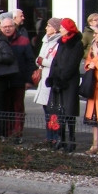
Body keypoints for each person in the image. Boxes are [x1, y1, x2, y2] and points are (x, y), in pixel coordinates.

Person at [45, 18, 83, 153]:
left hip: (69, 83)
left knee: (69, 112)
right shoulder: (61, 42)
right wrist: (52, 77)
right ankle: (61, 138)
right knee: (58, 111)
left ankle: (71, 140)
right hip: (58, 81)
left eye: (62, 27)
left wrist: (62, 78)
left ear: (68, 29)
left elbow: (72, 64)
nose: (60, 29)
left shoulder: (77, 44)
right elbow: (55, 61)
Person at [0, 15, 34, 139]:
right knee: (5, 108)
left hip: (19, 80)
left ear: (14, 27)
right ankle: (7, 133)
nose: (7, 29)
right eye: (5, 27)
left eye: (10, 26)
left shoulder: (23, 40)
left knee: (18, 108)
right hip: (3, 80)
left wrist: (28, 80)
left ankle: (17, 134)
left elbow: (30, 61)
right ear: (0, 28)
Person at [34, 17, 62, 148]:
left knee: (53, 111)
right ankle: (48, 136)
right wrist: (39, 61)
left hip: (50, 79)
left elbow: (55, 62)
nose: (46, 28)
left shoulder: (58, 42)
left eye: (49, 26)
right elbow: (40, 57)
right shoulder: (45, 40)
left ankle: (55, 137)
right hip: (43, 77)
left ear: (55, 28)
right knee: (46, 111)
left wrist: (42, 62)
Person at [83, 23, 98, 156]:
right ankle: (95, 144)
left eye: (97, 33)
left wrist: (96, 58)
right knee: (94, 119)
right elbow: (87, 62)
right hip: (94, 87)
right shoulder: (94, 47)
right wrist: (90, 65)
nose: (94, 36)